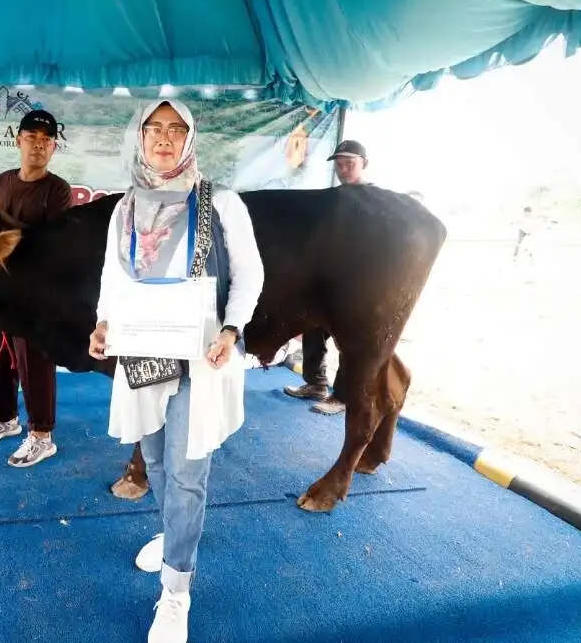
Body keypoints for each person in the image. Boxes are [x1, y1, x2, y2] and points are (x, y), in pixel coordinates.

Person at [87, 99, 264, 642]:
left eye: (176, 129)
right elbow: (113, 278)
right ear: (140, 138)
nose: (164, 139)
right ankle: (173, 534)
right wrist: (102, 325)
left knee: (188, 472)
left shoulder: (220, 201)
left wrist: (231, 330)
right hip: (144, 353)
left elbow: (250, 273)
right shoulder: (126, 207)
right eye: (154, 129)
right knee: (158, 462)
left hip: (201, 357)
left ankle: (175, 592)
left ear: (191, 138)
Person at [0, 109, 73, 467]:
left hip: (34, 296)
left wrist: (6, 240)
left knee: (35, 362)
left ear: (54, 147)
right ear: (18, 140)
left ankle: (41, 435)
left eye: (46, 141)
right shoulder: (0, 182)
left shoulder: (57, 190)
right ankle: (4, 419)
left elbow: (51, 244)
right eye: (32, 138)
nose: (38, 146)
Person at [284, 138, 369, 416]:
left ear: (364, 164)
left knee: (348, 338)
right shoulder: (333, 199)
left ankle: (342, 396)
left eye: (350, 163)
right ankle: (316, 383)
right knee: (312, 328)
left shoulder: (374, 202)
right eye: (340, 164)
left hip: (357, 284)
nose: (344, 169)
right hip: (325, 280)